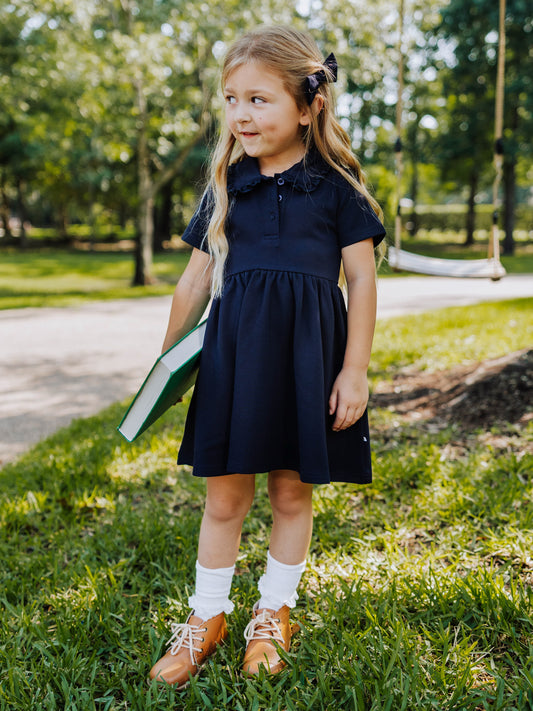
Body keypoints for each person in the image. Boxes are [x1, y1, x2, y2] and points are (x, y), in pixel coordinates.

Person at [149, 25, 385, 688]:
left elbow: (362, 280)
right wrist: (164, 365)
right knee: (224, 495)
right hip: (234, 361)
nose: (240, 115)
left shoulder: (337, 187)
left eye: (257, 99)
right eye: (230, 99)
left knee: (290, 489)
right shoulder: (228, 184)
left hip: (310, 359)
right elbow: (193, 281)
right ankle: (206, 616)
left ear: (306, 105)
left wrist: (353, 369)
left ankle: (273, 610)